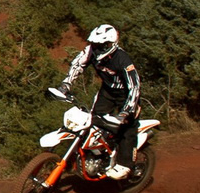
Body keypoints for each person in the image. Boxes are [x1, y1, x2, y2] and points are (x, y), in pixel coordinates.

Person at [56, 24, 142, 180]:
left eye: (100, 45)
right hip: (107, 92)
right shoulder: (91, 51)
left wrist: (126, 111)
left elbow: (135, 87)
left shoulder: (123, 60)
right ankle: (98, 154)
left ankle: (126, 165)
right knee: (94, 120)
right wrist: (66, 84)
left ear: (110, 44)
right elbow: (77, 64)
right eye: (94, 44)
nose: (96, 48)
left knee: (128, 127)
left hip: (126, 96)